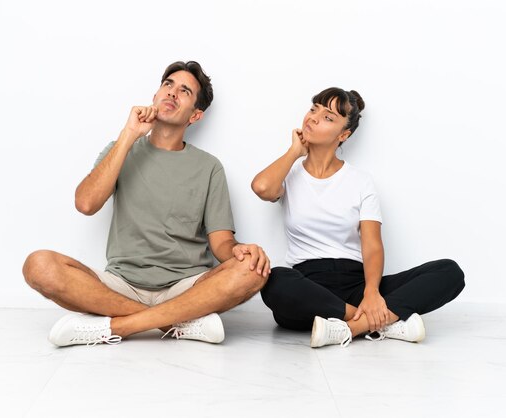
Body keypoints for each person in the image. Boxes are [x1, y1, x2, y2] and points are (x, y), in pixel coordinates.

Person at [23, 61, 270, 347]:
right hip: (121, 286)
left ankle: (117, 326)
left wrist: (240, 251)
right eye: (168, 85)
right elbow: (86, 203)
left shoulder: (209, 167)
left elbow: (221, 243)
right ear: (155, 96)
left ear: (196, 115)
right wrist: (129, 135)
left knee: (253, 269)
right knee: (38, 265)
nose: (172, 93)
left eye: (185, 91)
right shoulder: (121, 149)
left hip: (187, 287)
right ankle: (176, 322)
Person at [251, 87, 464, 348]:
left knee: (449, 272)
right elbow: (262, 188)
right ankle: (380, 321)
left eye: (328, 117)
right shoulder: (290, 172)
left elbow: (372, 245)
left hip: (357, 284)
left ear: (344, 134)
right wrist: (295, 151)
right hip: (308, 286)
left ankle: (352, 326)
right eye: (313, 109)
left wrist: (372, 293)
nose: (314, 118)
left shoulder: (360, 181)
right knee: (274, 281)